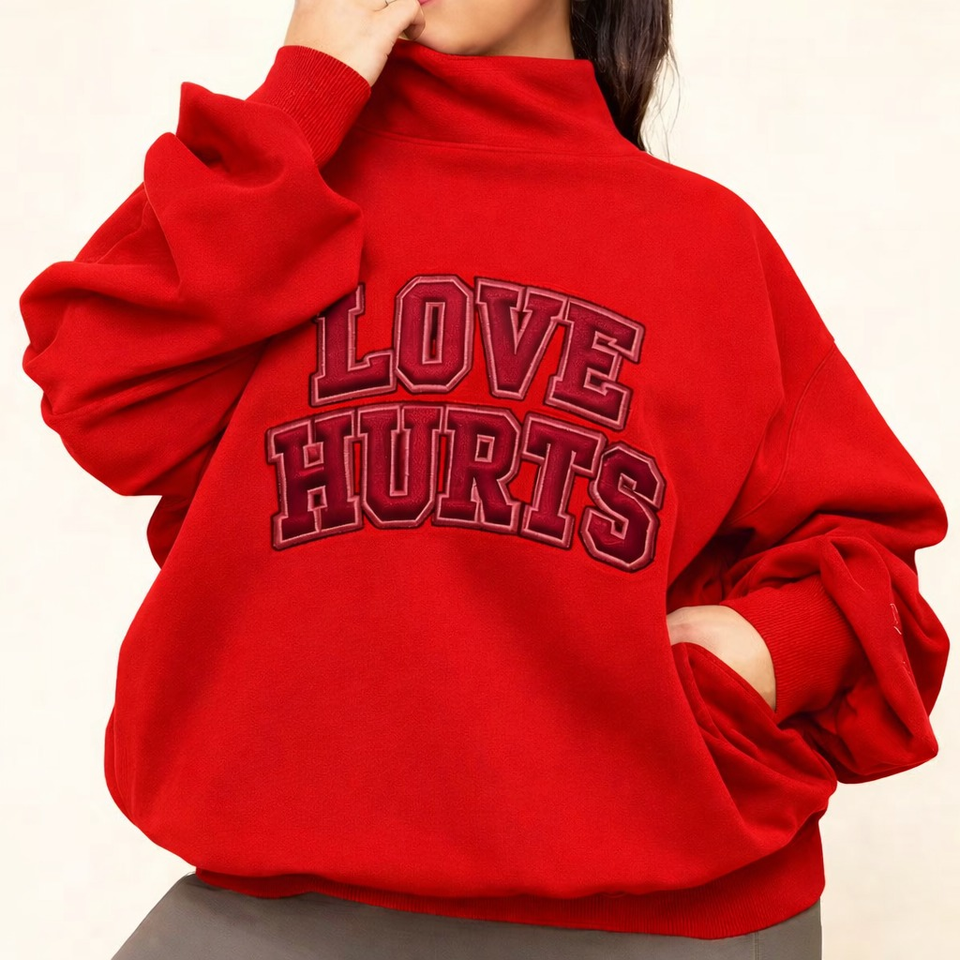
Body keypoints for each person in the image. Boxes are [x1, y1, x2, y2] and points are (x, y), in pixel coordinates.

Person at [17, 1, 949, 958]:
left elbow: (872, 551)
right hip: (276, 904)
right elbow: (93, 385)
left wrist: (759, 652)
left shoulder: (703, 240)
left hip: (663, 916)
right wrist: (301, 98)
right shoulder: (275, 201)